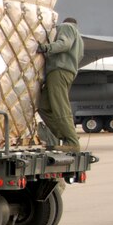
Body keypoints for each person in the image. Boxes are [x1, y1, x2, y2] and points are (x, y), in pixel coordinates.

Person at [38, 17, 84, 152]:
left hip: (59, 71)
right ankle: (68, 135)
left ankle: (72, 142)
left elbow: (64, 44)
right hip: (63, 72)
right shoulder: (80, 39)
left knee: (60, 107)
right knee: (43, 107)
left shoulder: (66, 27)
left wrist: (46, 48)